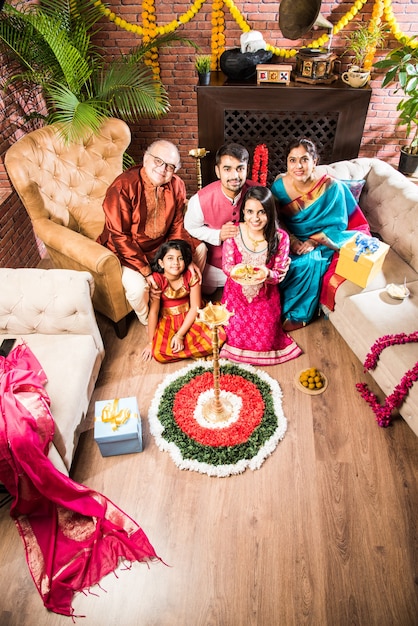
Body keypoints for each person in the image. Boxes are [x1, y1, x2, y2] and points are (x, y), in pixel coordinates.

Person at [97, 140, 206, 325]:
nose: (163, 169)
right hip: (126, 253)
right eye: (158, 161)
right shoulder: (122, 186)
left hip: (161, 247)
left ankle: (180, 301)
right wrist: (146, 272)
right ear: (146, 159)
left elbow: (176, 225)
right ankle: (150, 322)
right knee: (138, 289)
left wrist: (185, 259)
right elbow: (119, 236)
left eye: (170, 166)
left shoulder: (177, 185)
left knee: (201, 250)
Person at [271, 137, 371, 331]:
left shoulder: (332, 187)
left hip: (321, 239)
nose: (298, 166)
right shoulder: (279, 188)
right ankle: (270, 310)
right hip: (289, 237)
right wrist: (291, 240)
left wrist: (312, 242)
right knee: (276, 262)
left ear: (315, 161)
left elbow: (338, 225)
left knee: (309, 262)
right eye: (292, 160)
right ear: (286, 163)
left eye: (304, 159)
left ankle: (298, 314)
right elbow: (276, 220)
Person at [220, 186, 302, 366]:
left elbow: (279, 274)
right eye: (249, 211)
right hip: (236, 298)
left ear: (270, 213)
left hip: (265, 298)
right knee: (231, 335)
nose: (255, 218)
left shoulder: (281, 237)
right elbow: (226, 266)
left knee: (266, 340)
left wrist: (266, 273)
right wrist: (238, 270)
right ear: (243, 211)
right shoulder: (234, 232)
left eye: (261, 212)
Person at [184, 143, 257, 293]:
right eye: (227, 169)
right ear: (217, 171)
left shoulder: (259, 193)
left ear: (247, 169)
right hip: (215, 267)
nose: (235, 176)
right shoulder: (200, 199)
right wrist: (217, 235)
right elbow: (190, 227)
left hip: (250, 265)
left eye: (240, 168)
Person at [141, 240, 225, 363]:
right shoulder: (157, 280)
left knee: (216, 337)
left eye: (180, 258)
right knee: (158, 353)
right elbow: (153, 312)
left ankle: (189, 349)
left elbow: (195, 307)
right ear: (161, 263)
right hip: (168, 319)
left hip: (192, 314)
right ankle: (193, 352)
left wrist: (180, 335)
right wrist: (150, 343)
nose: (176, 263)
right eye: (170, 258)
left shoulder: (191, 276)